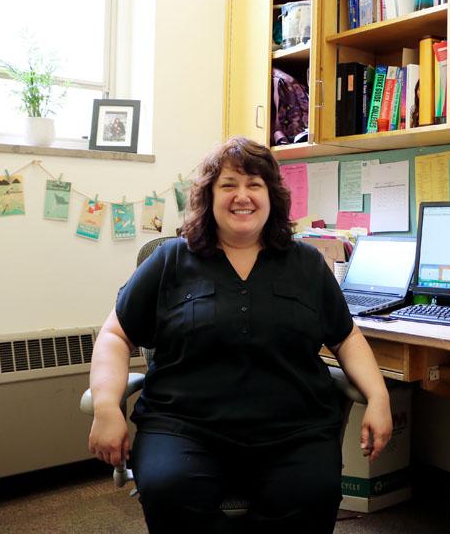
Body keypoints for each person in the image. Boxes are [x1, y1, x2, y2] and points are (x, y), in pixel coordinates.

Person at [88, 136, 393, 534]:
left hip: (293, 429)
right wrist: (107, 407)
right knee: (170, 489)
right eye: (228, 185)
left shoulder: (307, 263)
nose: (242, 196)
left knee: (310, 494)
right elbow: (115, 335)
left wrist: (379, 396)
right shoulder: (171, 260)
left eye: (254, 185)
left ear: (272, 196)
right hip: (184, 426)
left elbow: (346, 337)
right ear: (209, 196)